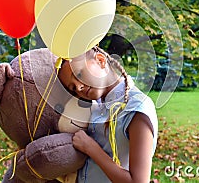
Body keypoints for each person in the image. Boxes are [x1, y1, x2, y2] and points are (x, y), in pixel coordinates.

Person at [57, 46, 158, 183]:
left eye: (79, 74)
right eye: (73, 87)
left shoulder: (136, 109)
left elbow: (138, 181)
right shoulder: (95, 107)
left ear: (100, 60)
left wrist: (90, 148)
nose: (79, 87)